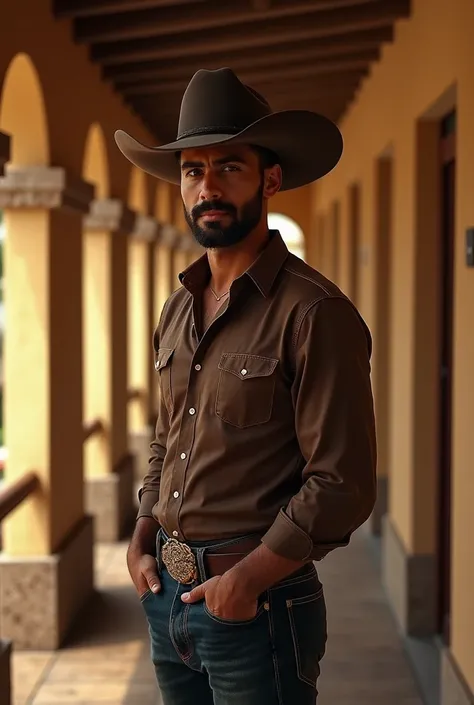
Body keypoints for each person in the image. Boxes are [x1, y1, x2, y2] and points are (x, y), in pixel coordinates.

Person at [115, 67, 377, 705]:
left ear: (270, 178)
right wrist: (145, 525)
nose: (208, 187)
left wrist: (248, 581)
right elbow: (168, 434)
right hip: (166, 599)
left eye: (229, 167)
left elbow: (341, 482)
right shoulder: (179, 308)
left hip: (257, 608)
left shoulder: (315, 313)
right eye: (192, 169)